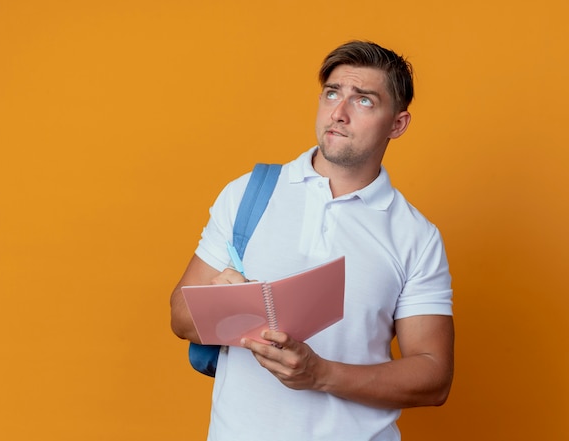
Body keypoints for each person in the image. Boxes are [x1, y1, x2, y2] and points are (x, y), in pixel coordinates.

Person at [170, 40, 454, 441]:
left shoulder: (416, 237)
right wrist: (231, 307)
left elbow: (434, 375)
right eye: (332, 93)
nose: (338, 113)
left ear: (397, 124)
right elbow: (180, 317)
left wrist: (321, 375)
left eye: (364, 101)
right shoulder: (248, 193)